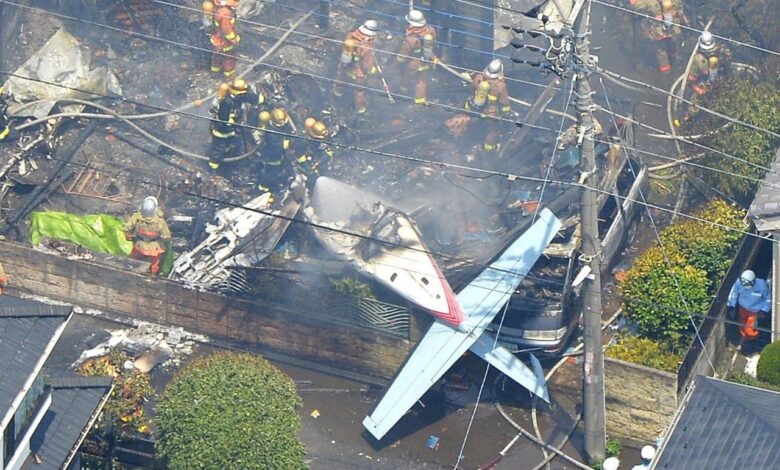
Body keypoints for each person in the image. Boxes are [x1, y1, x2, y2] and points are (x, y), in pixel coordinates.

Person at [466, 59, 512, 152]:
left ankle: (469, 139)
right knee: (491, 131)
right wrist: (508, 113)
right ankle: (488, 149)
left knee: (472, 124)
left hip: (473, 107)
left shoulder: (478, 77)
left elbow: (472, 89)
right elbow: (504, 103)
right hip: (490, 113)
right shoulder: (500, 85)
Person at [334, 20, 379, 114]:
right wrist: (373, 70)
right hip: (359, 73)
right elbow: (367, 67)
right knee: (359, 92)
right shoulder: (367, 47)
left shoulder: (350, 35)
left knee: (340, 80)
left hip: (345, 66)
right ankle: (360, 110)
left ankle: (336, 95)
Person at [396, 10, 437, 106]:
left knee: (406, 79)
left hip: (412, 64)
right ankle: (419, 103)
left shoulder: (411, 38)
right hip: (426, 62)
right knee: (421, 82)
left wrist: (397, 64)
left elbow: (403, 55)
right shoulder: (431, 30)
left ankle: (402, 96)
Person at [125, 196, 171, 275]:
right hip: (155, 249)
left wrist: (129, 237)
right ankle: (151, 278)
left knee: (131, 262)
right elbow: (166, 236)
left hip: (139, 246)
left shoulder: (136, 217)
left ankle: (128, 274)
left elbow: (127, 229)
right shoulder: (160, 221)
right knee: (154, 266)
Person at [641, 0, 687, 73]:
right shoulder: (649, 3)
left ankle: (671, 60)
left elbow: (679, 9)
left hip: (668, 29)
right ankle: (665, 68)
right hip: (659, 30)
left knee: (668, 46)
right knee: (661, 49)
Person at [728, 270, 771, 342]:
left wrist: (764, 310)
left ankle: (752, 341)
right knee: (742, 325)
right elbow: (733, 294)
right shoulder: (739, 283)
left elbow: (768, 299)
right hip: (743, 308)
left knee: (750, 329)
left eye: (748, 284)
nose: (745, 286)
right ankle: (745, 338)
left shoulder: (761, 285)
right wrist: (731, 306)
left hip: (755, 311)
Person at [688, 31, 731, 96]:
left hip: (720, 81)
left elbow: (727, 61)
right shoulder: (698, 59)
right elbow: (691, 78)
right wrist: (699, 90)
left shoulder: (719, 50)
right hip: (706, 84)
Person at [208, 83, 240, 170]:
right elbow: (223, 117)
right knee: (218, 149)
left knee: (226, 145)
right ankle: (213, 167)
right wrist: (230, 121)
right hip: (220, 131)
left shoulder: (228, 100)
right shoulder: (225, 102)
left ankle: (225, 154)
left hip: (228, 130)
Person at [205, 0, 240, 78]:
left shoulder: (216, 7)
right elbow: (226, 30)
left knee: (216, 57)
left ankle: (214, 73)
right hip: (224, 42)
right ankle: (228, 76)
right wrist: (233, 40)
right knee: (229, 59)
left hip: (216, 39)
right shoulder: (225, 12)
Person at [295, 117, 334, 183]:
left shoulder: (324, 135)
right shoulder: (302, 142)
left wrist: (320, 161)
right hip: (309, 168)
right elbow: (300, 158)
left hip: (322, 163)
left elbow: (330, 152)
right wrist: (310, 168)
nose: (323, 139)